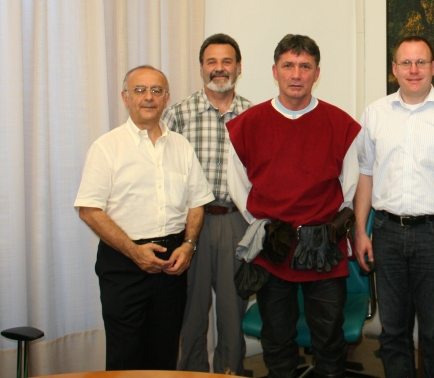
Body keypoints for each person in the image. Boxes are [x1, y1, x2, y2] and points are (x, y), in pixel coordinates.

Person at [226, 34, 361, 378]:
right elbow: (240, 188)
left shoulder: (340, 124)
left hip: (324, 248)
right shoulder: (248, 124)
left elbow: (348, 187)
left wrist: (322, 225)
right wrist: (268, 227)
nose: (296, 74)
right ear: (275, 71)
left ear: (317, 73)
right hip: (273, 248)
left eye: (305, 66)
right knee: (277, 337)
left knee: (329, 338)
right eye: (288, 66)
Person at [354, 36, 434, 378]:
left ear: (433, 67)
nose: (413, 70)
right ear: (394, 69)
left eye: (421, 62)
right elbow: (365, 175)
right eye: (405, 63)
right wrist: (359, 231)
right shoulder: (374, 114)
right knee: (392, 333)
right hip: (386, 232)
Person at [75, 65, 214, 371]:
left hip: (173, 263)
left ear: (167, 99)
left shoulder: (181, 146)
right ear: (126, 98)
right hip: (123, 264)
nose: (148, 97)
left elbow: (197, 202)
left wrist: (189, 244)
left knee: (164, 356)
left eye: (156, 91)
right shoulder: (107, 147)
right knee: (125, 357)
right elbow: (88, 209)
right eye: (140, 90)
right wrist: (133, 251)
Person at [163, 34, 253, 375]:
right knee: (192, 310)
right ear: (202, 67)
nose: (219, 68)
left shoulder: (253, 114)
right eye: (211, 62)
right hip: (192, 224)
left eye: (226, 61)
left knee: (233, 311)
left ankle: (230, 371)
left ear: (238, 68)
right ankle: (192, 372)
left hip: (235, 221)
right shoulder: (178, 115)